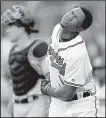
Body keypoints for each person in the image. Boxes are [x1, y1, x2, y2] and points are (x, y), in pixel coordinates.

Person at [41, 6, 100, 117]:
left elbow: (66, 93)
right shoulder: (57, 29)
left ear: (80, 29)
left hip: (81, 105)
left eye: (75, 17)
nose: (69, 16)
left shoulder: (78, 53)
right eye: (71, 12)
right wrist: (50, 77)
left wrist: (47, 90)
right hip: (58, 103)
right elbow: (52, 57)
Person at [1, 5, 50, 117]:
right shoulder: (12, 51)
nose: (7, 30)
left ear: (22, 27)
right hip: (17, 105)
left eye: (10, 26)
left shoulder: (38, 47)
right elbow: (14, 82)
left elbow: (51, 78)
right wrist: (10, 109)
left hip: (36, 104)